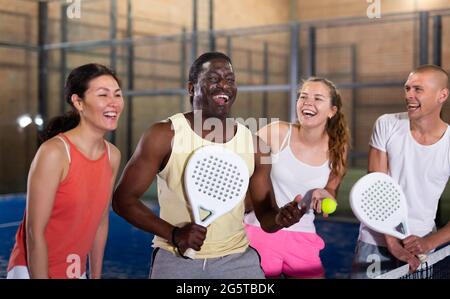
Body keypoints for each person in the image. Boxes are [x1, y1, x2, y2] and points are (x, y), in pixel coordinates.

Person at [112, 51, 304, 279]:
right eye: (213, 78)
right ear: (192, 87)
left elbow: (266, 219)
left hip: (237, 260)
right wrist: (174, 234)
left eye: (230, 80)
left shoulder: (255, 145)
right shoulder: (164, 135)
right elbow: (123, 200)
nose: (223, 85)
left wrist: (281, 218)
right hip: (175, 259)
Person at [7, 63, 123, 279]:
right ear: (78, 102)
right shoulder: (54, 153)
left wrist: (95, 276)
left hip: (74, 270)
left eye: (117, 95)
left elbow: (99, 221)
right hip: (32, 269)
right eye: (103, 95)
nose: (113, 103)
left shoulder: (112, 155)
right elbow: (35, 233)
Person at [244, 77, 350, 278]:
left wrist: (325, 195)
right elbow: (240, 168)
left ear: (332, 111)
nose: (308, 102)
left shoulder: (338, 147)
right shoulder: (275, 132)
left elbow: (331, 191)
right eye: (303, 97)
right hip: (261, 231)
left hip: (303, 236)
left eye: (318, 98)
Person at [350, 64, 450, 279]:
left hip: (421, 246)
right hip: (374, 241)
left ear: (442, 95)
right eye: (407, 88)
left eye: (418, 89)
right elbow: (376, 187)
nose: (409, 95)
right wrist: (393, 242)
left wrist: (428, 242)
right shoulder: (386, 124)